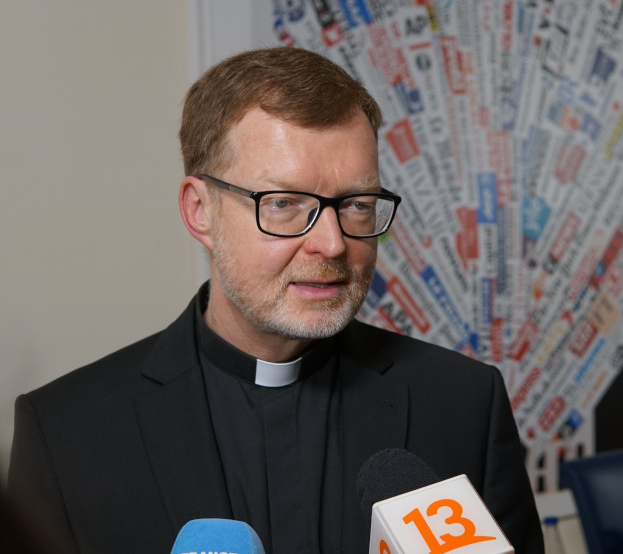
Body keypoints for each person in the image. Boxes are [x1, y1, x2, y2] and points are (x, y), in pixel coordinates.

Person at [7, 47, 543, 554]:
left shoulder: (466, 403)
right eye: (285, 203)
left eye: (356, 204)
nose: (333, 243)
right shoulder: (64, 432)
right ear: (200, 211)